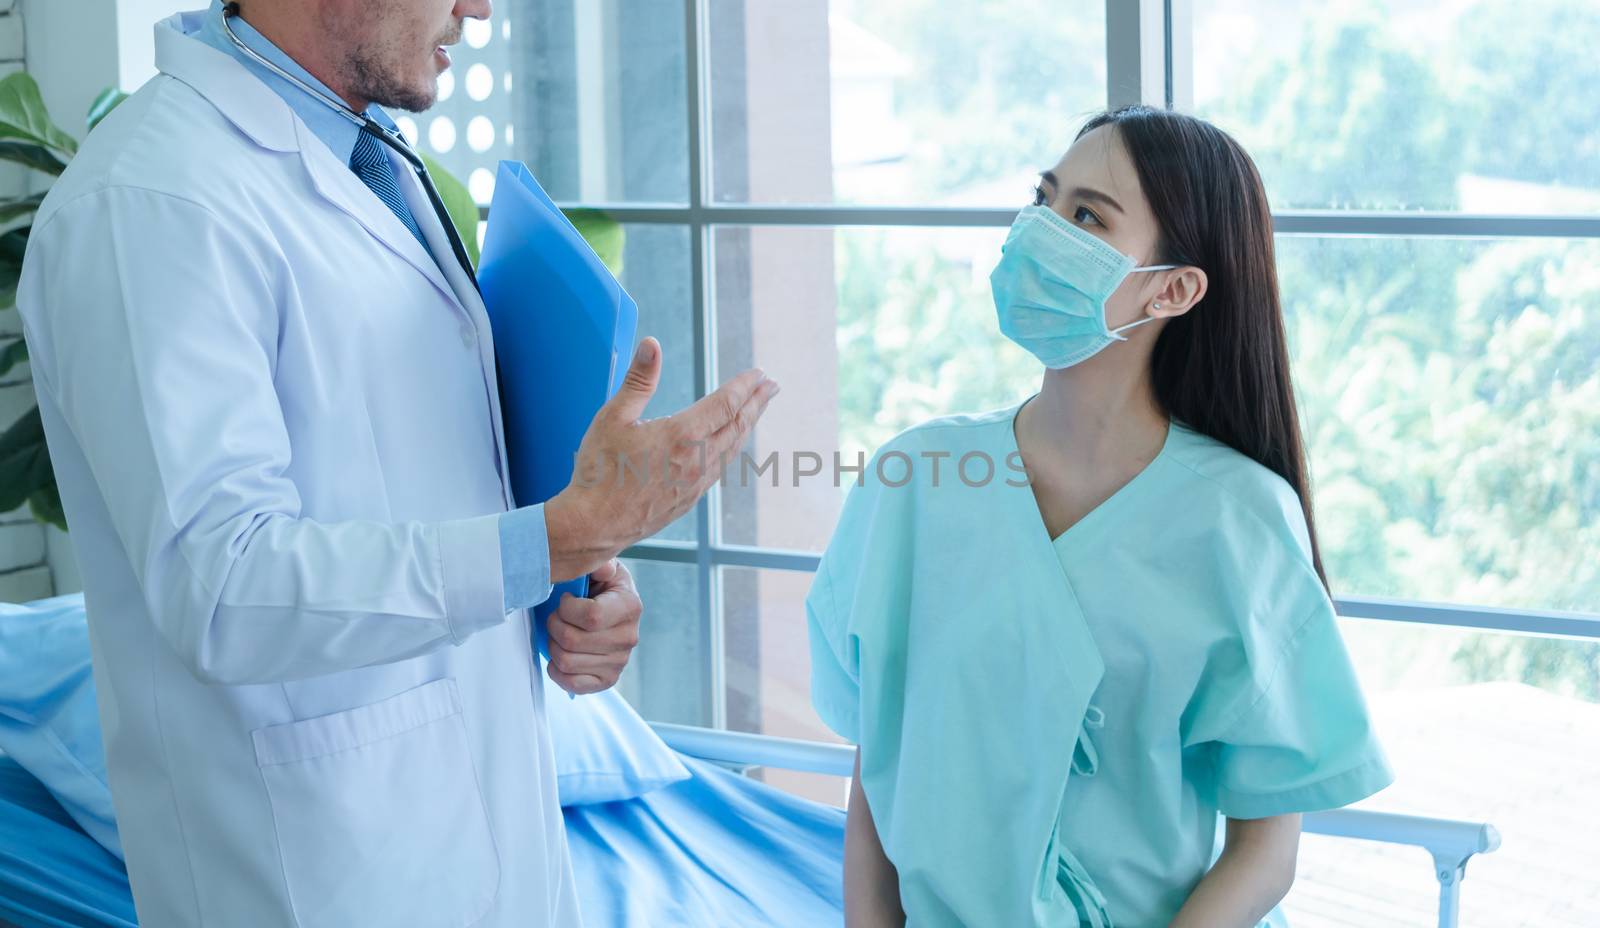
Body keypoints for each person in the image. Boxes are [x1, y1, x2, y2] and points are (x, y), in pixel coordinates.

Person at [14, 1, 778, 926]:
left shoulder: (367, 157)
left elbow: (410, 475)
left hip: (483, 840)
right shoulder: (150, 206)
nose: (479, 7)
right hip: (318, 871)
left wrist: (566, 577)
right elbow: (221, 587)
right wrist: (548, 539)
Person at [806, 106, 1393, 927]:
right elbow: (879, 765)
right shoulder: (914, 478)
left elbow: (1266, 849)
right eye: (1044, 201)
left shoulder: (1239, 519)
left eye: (1086, 217)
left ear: (1176, 287)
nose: (1041, 232)